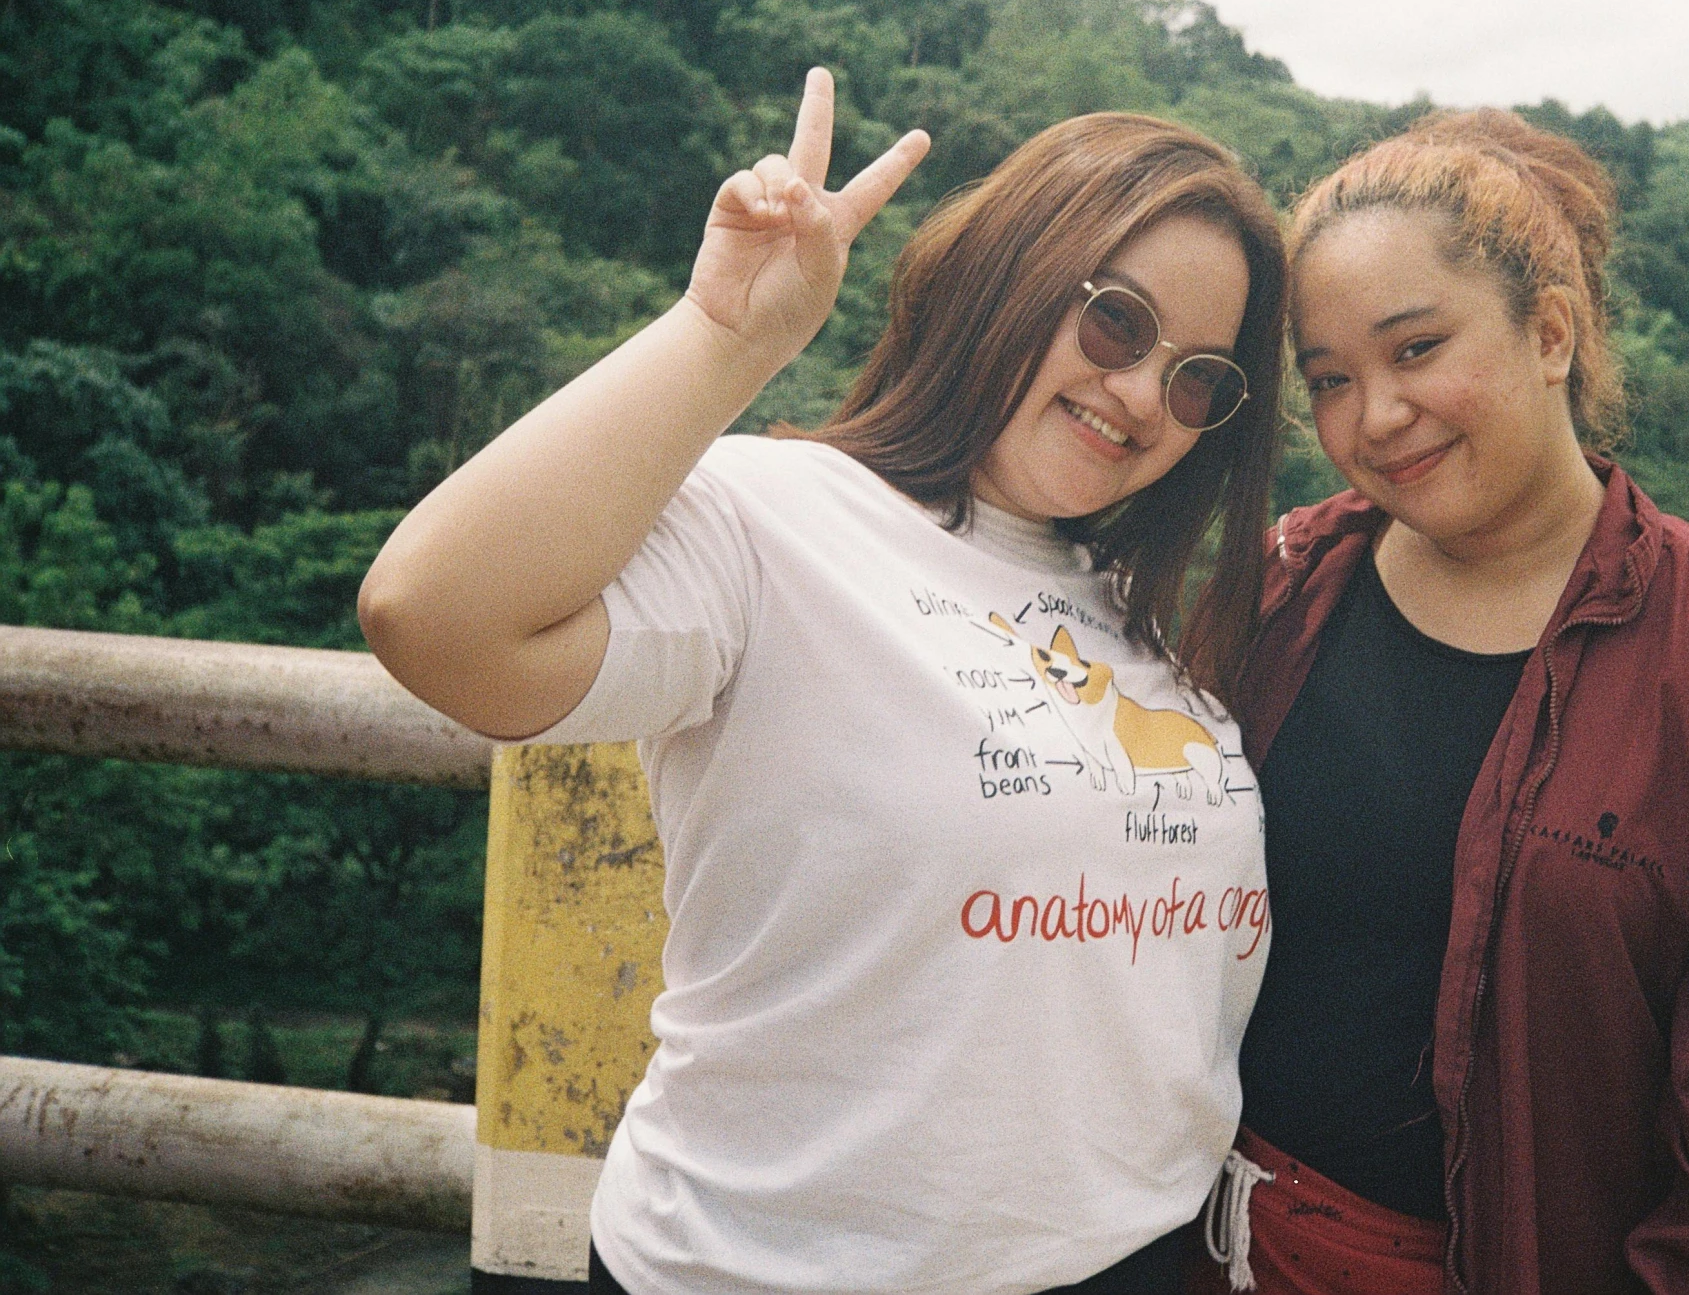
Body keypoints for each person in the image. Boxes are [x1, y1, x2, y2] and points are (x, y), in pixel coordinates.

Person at [359, 73, 1289, 1295]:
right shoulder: (772, 519)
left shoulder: (1146, 611)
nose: (1137, 393)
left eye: (1196, 381)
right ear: (1010, 274)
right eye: (1117, 323)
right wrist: (727, 336)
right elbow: (433, 616)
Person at [1198, 110, 1689, 1295]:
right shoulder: (1278, 589)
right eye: (1329, 379)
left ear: (1549, 329)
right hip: (1209, 1247)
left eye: (1416, 348)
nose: (1376, 414)